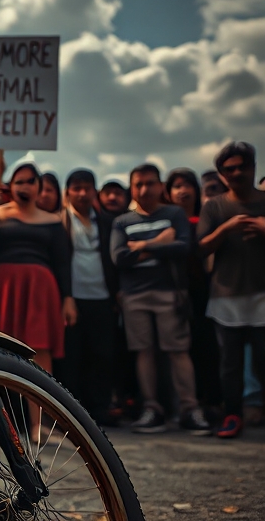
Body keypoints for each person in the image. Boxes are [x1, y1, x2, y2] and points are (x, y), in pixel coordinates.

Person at [110, 163, 210, 435]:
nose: (144, 189)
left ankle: (190, 410)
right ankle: (152, 409)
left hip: (170, 293)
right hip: (134, 296)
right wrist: (161, 242)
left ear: (160, 186)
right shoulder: (122, 221)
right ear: (132, 188)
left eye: (150, 183)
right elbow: (119, 257)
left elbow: (182, 248)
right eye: (138, 184)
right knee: (144, 352)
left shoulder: (174, 214)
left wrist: (141, 245)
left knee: (178, 351)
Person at [0, 162, 75, 376]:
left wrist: (68, 298)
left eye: (31, 181)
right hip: (2, 288)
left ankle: (40, 408)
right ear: (10, 186)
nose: (26, 186)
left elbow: (63, 262)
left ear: (39, 185)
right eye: (19, 181)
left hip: (40, 289)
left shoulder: (53, 220)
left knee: (39, 347)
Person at [197, 142, 265, 438]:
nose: (237, 173)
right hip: (226, 297)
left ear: (253, 167)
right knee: (230, 365)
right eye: (229, 169)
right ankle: (232, 415)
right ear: (222, 174)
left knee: (264, 361)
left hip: (263, 295)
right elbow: (198, 249)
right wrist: (225, 229)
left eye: (242, 167)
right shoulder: (215, 206)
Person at [57, 169, 119, 426]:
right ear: (68, 192)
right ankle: (75, 414)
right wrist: (66, 297)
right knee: (73, 356)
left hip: (103, 296)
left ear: (95, 192)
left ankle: (100, 410)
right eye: (77, 188)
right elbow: (59, 263)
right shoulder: (59, 221)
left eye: (87, 188)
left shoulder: (107, 221)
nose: (82, 193)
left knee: (103, 354)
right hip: (73, 298)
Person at [165, 168, 220, 410]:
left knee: (207, 347)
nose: (183, 191)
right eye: (177, 186)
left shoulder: (208, 221)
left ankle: (211, 401)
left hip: (205, 290)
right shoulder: (164, 222)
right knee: (178, 350)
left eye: (187, 185)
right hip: (173, 291)